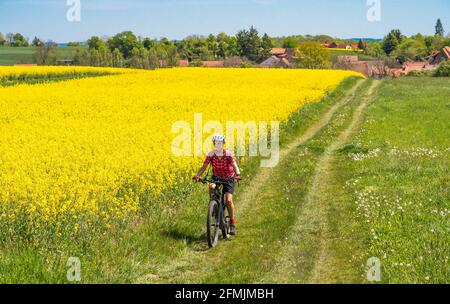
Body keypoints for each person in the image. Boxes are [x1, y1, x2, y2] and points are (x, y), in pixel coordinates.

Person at [193, 134, 241, 235]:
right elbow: (204, 167)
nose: (218, 145)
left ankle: (232, 223)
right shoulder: (211, 154)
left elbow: (235, 165)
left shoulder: (228, 154)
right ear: (214, 144)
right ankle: (213, 205)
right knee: (211, 186)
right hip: (217, 177)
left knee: (228, 200)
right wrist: (197, 175)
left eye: (220, 143)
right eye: (216, 143)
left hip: (229, 178)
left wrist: (238, 175)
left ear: (223, 144)